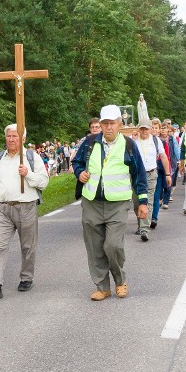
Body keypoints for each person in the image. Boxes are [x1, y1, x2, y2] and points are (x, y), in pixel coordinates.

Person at [72, 105, 149, 301]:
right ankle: (102, 286)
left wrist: (142, 202)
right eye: (104, 123)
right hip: (92, 203)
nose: (108, 127)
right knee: (94, 247)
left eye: (111, 123)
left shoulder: (129, 145)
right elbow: (77, 162)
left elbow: (139, 175)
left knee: (113, 246)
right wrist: (79, 173)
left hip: (118, 204)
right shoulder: (89, 143)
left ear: (119, 124)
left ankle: (120, 281)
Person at [0, 124, 49, 299]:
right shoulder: (0, 158)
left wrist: (28, 174)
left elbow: (43, 182)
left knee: (28, 246)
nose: (11, 139)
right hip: (3, 208)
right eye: (9, 136)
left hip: (26, 207)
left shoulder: (32, 157)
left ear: (23, 139)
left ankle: (26, 278)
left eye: (15, 136)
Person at [131, 118, 171, 240]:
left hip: (151, 174)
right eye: (142, 128)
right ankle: (140, 225)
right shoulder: (133, 142)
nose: (144, 131)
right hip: (136, 175)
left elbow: (163, 157)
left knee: (147, 200)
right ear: (138, 129)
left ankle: (144, 229)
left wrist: (168, 174)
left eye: (146, 128)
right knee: (137, 202)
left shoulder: (156, 140)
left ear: (150, 129)